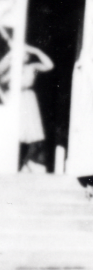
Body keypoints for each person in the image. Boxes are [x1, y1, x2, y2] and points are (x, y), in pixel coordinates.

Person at [0, 42, 54, 172]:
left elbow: (49, 65)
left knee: (30, 135)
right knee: (12, 133)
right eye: (23, 54)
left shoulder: (32, 67)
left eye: (27, 54)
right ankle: (9, 164)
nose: (26, 56)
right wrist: (3, 98)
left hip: (28, 100)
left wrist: (35, 50)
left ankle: (23, 164)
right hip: (13, 99)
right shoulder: (10, 69)